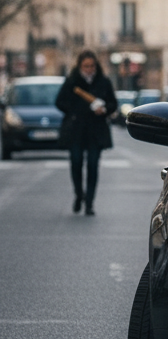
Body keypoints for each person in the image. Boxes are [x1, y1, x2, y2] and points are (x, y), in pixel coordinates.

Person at [56, 51, 117, 216]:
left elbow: (113, 104)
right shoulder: (71, 82)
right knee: (76, 163)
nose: (89, 69)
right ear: (80, 66)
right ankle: (78, 194)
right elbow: (59, 102)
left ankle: (89, 202)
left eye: (92, 66)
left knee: (92, 165)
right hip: (76, 130)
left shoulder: (103, 82)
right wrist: (76, 110)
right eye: (86, 66)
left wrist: (103, 109)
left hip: (96, 131)